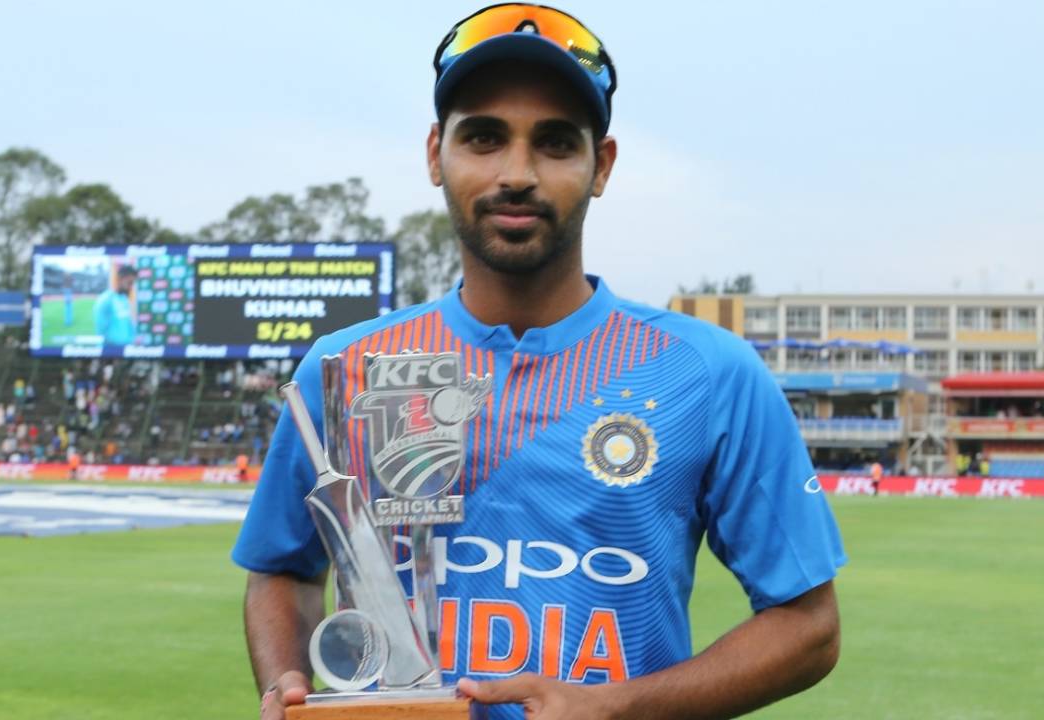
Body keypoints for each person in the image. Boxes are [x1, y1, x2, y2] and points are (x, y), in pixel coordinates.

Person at [234, 5, 844, 720]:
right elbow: (282, 570)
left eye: (555, 143)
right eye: (484, 138)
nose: (517, 173)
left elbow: (809, 626)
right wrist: (285, 680)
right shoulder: (342, 367)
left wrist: (616, 706)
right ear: (436, 154)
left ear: (601, 165)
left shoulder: (708, 374)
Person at [94, 263, 138, 345]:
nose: (131, 287)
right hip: (110, 353)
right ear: (120, 279)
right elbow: (101, 331)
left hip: (126, 350)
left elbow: (128, 325)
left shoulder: (124, 299)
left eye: (133, 283)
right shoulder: (105, 300)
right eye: (129, 282)